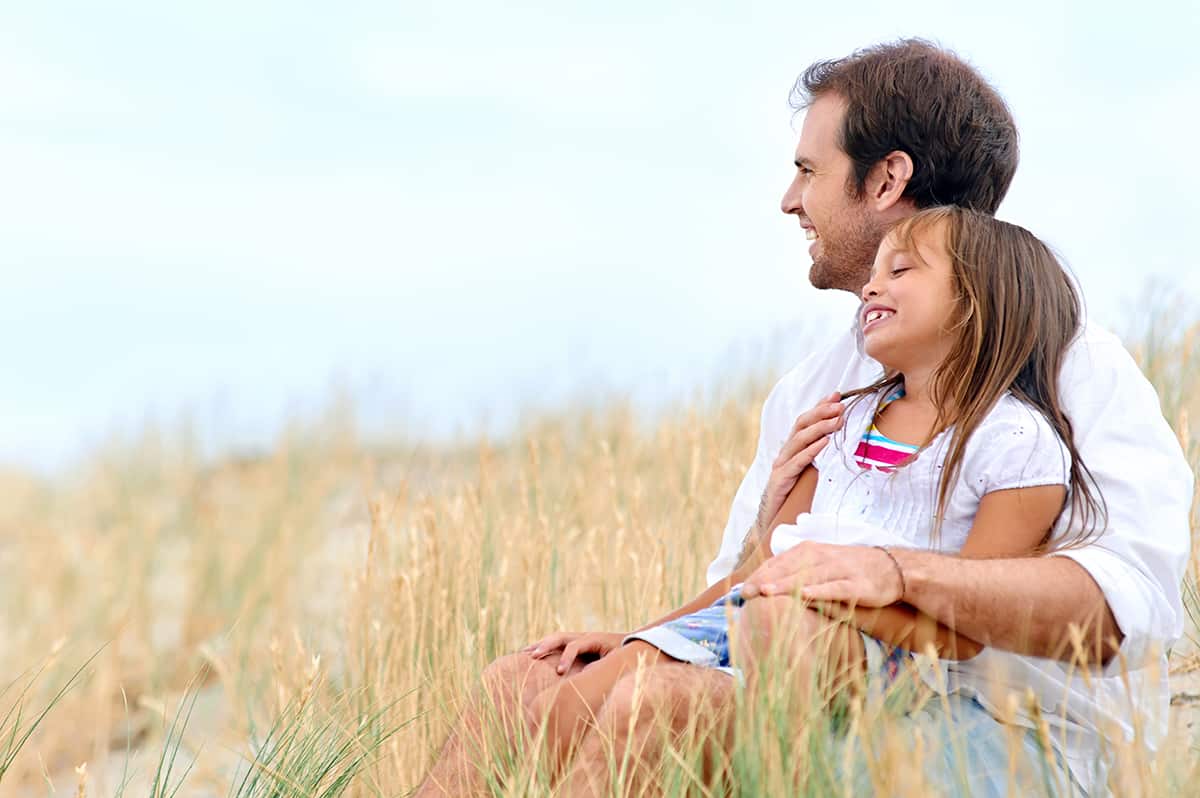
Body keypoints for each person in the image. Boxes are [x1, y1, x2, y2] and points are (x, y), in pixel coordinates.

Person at [416, 40, 1192, 797]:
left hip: (1004, 726)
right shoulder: (821, 389)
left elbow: (1127, 607)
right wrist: (646, 635)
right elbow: (752, 587)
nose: (790, 200)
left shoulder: (1071, 368)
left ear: (886, 179)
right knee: (518, 687)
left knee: (665, 704)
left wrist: (893, 576)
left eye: (809, 171)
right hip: (798, 669)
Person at [519, 205, 1110, 790]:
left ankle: (783, 772)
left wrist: (834, 598)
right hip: (753, 615)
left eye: (901, 271)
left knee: (766, 628)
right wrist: (642, 635)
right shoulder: (844, 419)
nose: (872, 286)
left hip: (884, 642)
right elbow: (760, 568)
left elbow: (970, 622)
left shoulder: (1014, 441)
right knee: (563, 708)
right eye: (875, 273)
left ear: (976, 302)